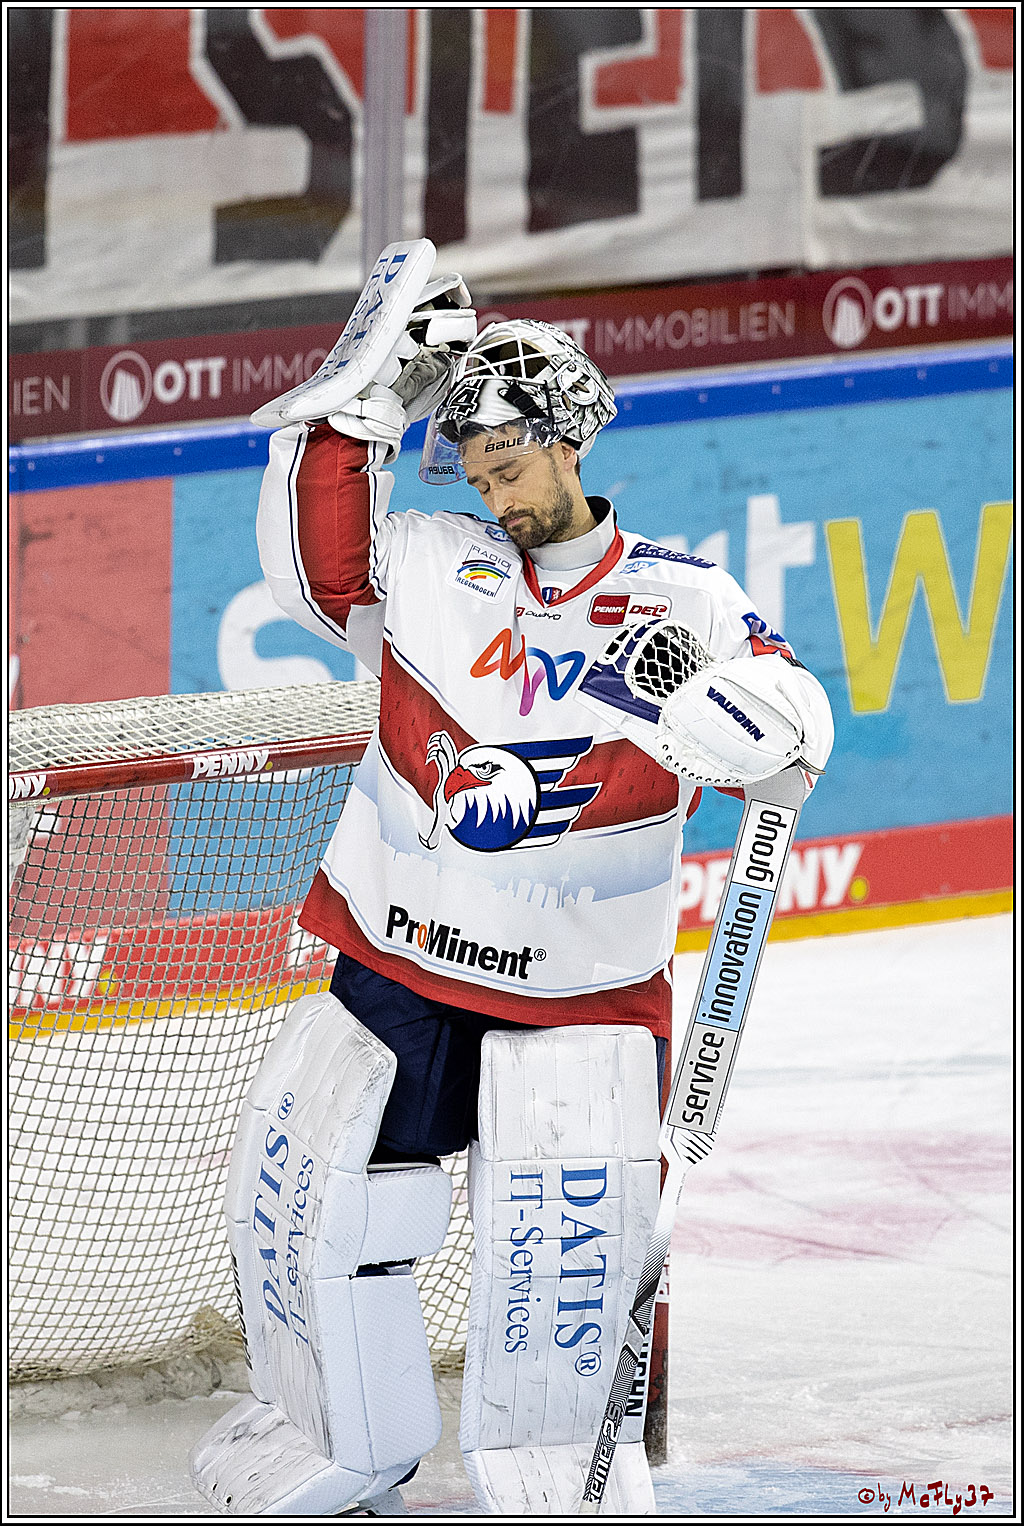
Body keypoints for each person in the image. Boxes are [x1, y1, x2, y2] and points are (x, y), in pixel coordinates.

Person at [194, 247, 833, 1517]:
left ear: (573, 440)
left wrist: (725, 709)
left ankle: (562, 1475)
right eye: (479, 469)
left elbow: (791, 720)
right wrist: (365, 405)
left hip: (584, 996)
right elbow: (321, 570)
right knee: (321, 1200)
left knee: (562, 1278)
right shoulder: (434, 555)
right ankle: (327, 1442)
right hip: (400, 965)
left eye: (515, 463)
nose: (497, 490)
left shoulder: (680, 594)